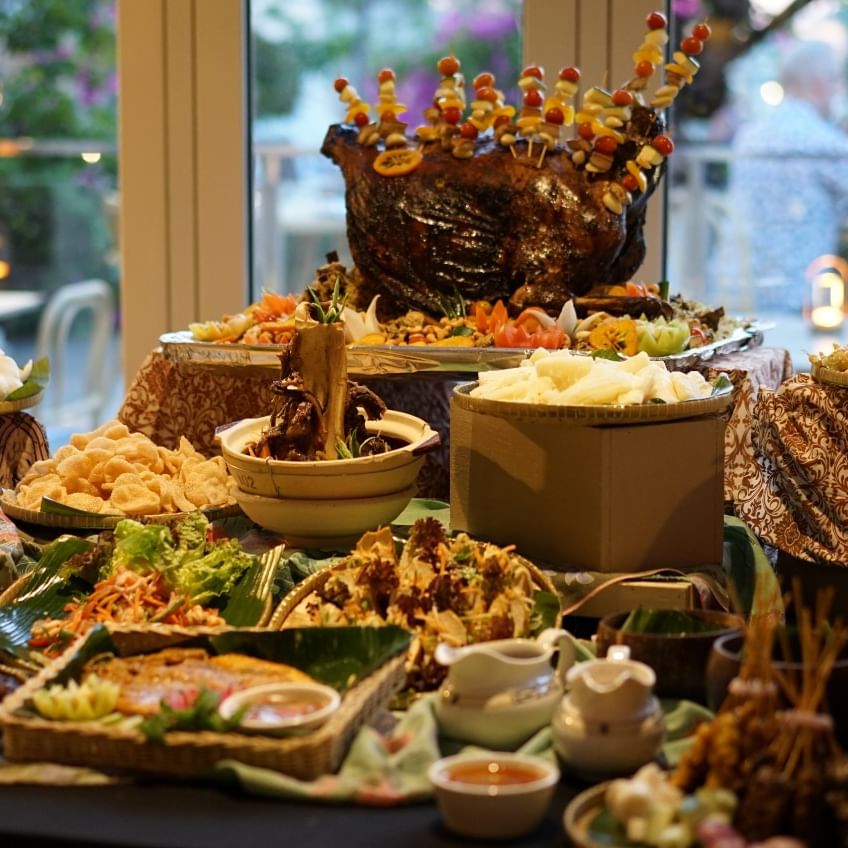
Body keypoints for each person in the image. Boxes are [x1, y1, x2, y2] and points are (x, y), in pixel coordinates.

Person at [728, 40, 848, 312]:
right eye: (837, 82)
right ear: (820, 83)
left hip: (738, 289)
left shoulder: (749, 136)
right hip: (801, 296)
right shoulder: (824, 143)